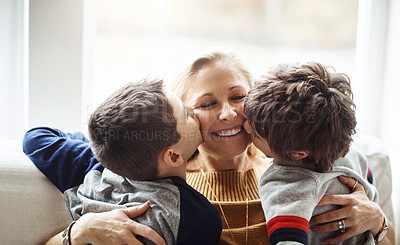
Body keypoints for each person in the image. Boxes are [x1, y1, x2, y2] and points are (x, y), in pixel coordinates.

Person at [23, 49, 395, 245]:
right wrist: (81, 229)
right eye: (206, 104)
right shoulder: (148, 176)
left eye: (238, 97)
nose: (228, 113)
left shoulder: (307, 165)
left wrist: (378, 223)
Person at [24, 79, 223, 245]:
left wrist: (105, 147)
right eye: (186, 114)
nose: (193, 110)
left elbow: (36, 138)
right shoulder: (197, 217)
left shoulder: (92, 169)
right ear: (173, 157)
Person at [243, 62, 384, 244]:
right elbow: (370, 191)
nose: (245, 126)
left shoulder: (285, 183)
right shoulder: (353, 155)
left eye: (256, 133)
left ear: (298, 153)